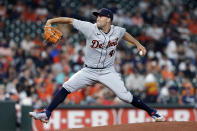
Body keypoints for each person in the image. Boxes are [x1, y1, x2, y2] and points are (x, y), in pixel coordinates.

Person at [29, 8, 164, 123]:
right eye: (97, 16)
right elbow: (70, 20)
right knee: (66, 87)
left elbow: (125, 34)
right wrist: (51, 21)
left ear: (108, 19)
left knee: (126, 97)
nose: (98, 19)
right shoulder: (89, 28)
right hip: (88, 70)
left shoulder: (117, 31)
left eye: (101, 17)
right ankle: (47, 113)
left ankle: (152, 112)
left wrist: (138, 44)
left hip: (107, 72)